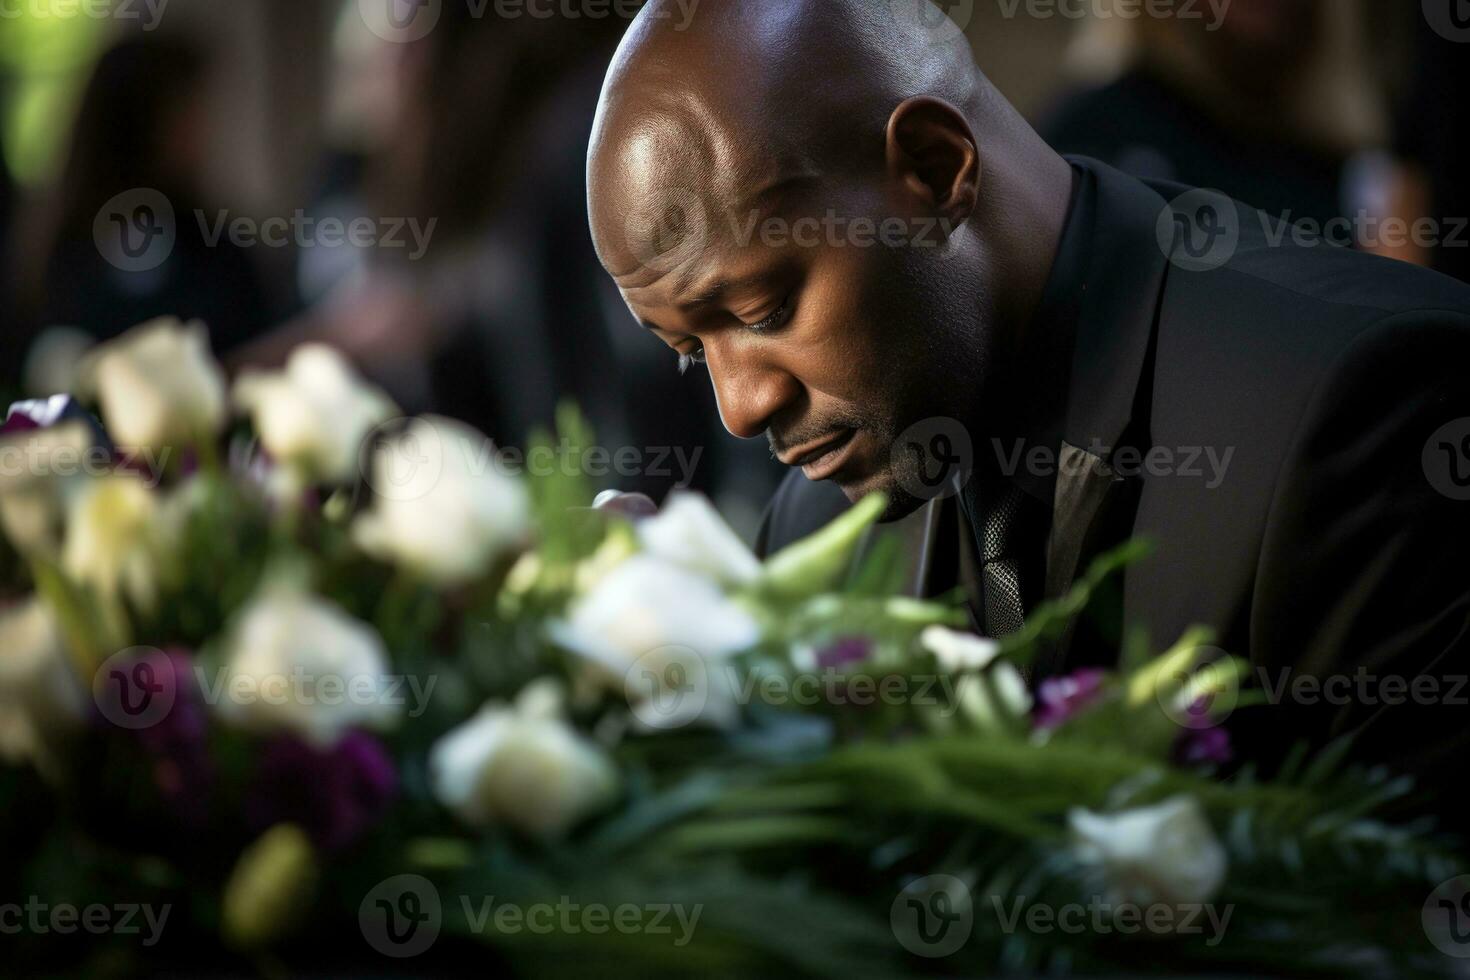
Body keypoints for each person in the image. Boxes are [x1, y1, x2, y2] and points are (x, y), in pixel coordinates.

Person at [585, 0, 1470, 800]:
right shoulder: (814, 530)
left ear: (936, 169)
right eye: (689, 354)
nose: (740, 406)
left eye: (766, 310)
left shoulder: (1364, 405)